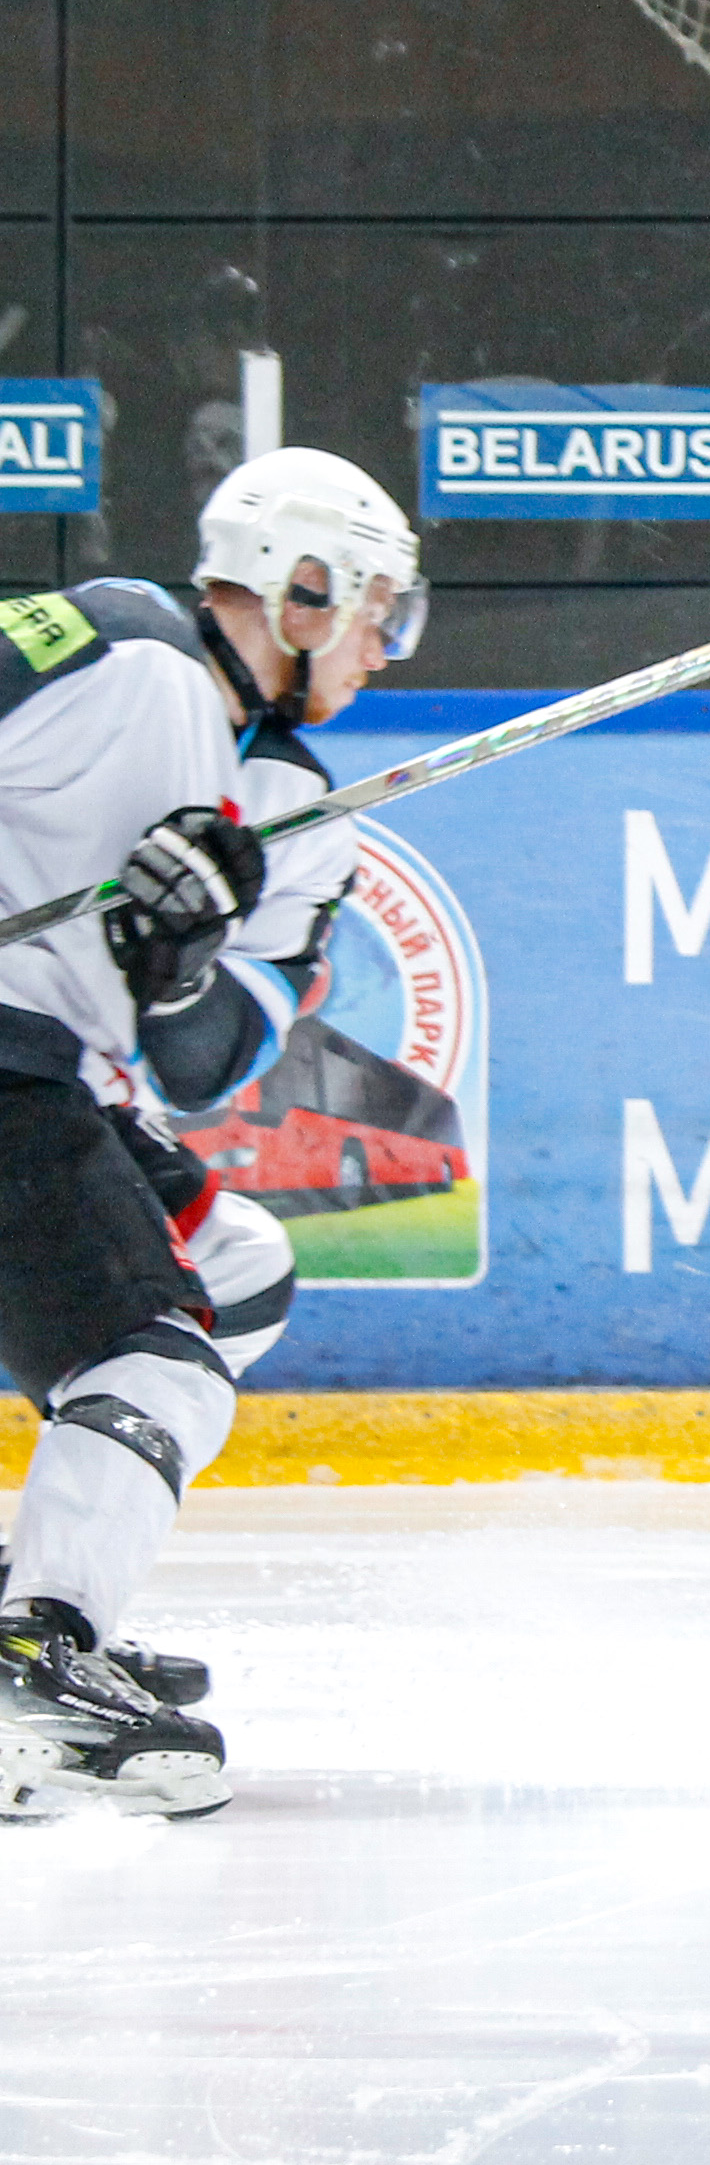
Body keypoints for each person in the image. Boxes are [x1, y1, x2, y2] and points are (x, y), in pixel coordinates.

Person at [0, 451, 420, 1817]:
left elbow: (200, 1064)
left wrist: (179, 962)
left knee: (235, 1270)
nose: (383, 650)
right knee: (157, 1359)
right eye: (379, 614)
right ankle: (33, 1655)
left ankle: (37, 1600)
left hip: (54, 1079)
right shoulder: (124, 642)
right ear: (308, 590)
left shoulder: (304, 817)